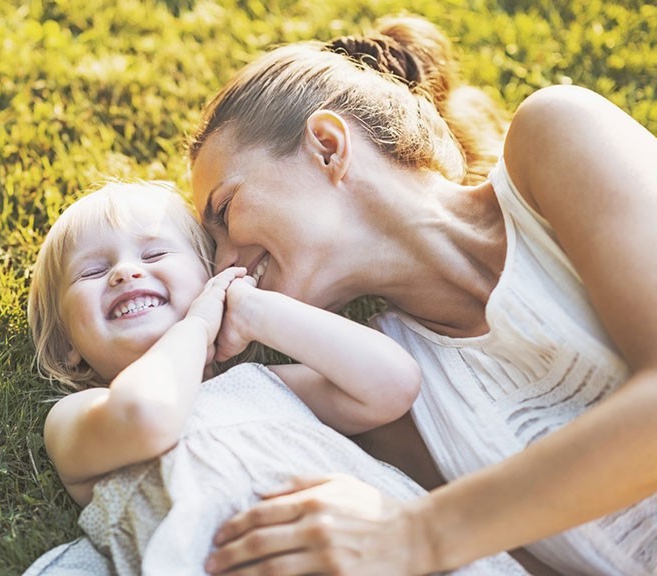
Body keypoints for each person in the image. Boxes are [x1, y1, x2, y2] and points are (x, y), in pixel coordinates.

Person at [188, 13, 657, 576]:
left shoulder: (558, 135)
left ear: (328, 146)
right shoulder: (387, 402)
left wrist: (420, 533)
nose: (222, 263)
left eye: (225, 210)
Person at [21, 181, 525, 575]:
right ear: (71, 351)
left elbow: (393, 383)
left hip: (369, 549)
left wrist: (256, 311)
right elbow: (149, 415)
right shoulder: (80, 416)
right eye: (91, 272)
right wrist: (197, 325)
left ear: (208, 279)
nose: (125, 274)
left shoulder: (264, 384)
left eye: (153, 255)